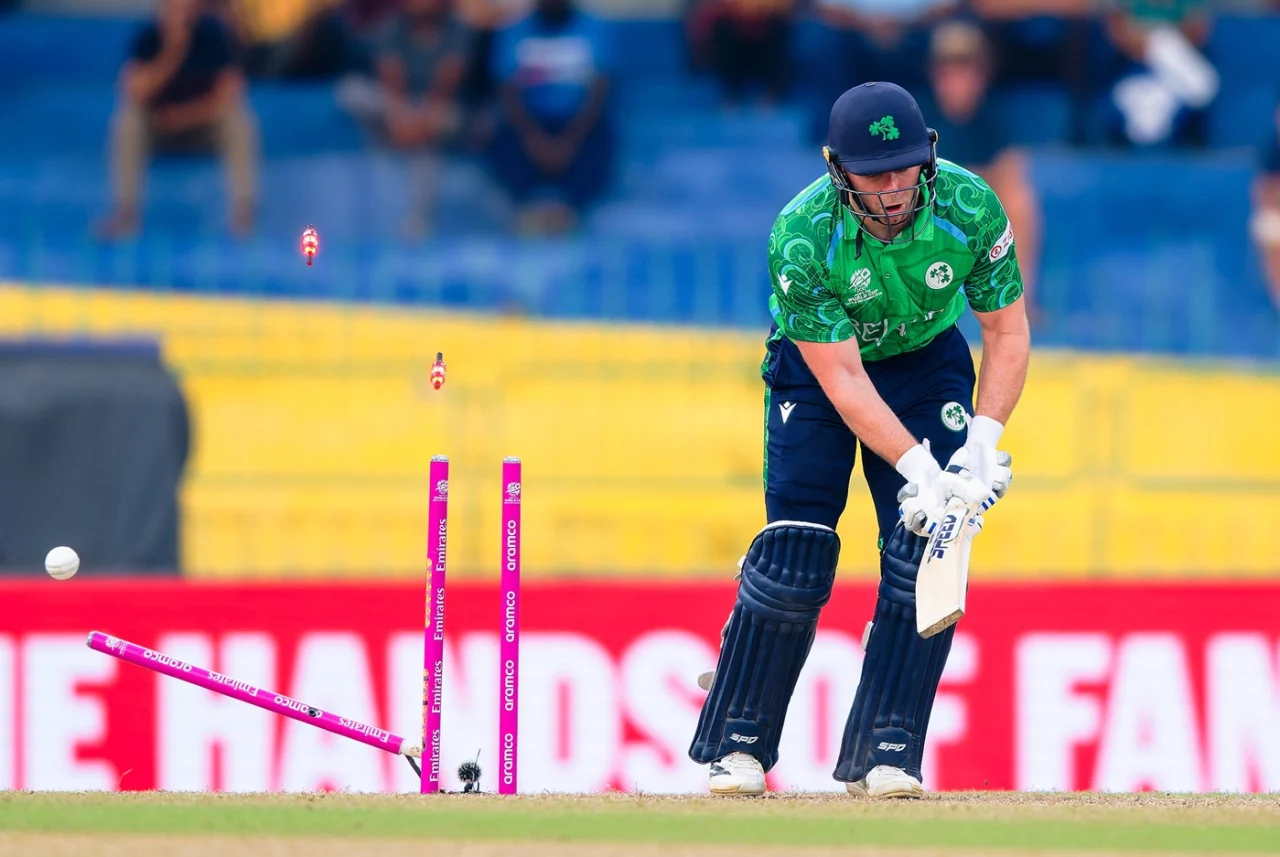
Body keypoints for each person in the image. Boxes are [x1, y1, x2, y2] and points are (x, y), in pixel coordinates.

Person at [689, 81, 1029, 798]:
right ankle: (739, 743)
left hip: (926, 359)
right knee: (796, 553)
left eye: (906, 167)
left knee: (927, 547)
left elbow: (1006, 329)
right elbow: (843, 380)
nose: (895, 188)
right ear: (836, 167)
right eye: (875, 175)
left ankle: (887, 749)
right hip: (821, 370)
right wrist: (918, 467)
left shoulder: (969, 204)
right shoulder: (802, 234)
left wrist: (981, 443)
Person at [97, 0, 259, 239]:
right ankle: (126, 215)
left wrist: (184, 117)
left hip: (201, 128)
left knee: (238, 122)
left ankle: (243, 215)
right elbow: (133, 92)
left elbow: (230, 94)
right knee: (128, 122)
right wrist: (172, 53)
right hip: (157, 129)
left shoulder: (213, 37)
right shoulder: (147, 38)